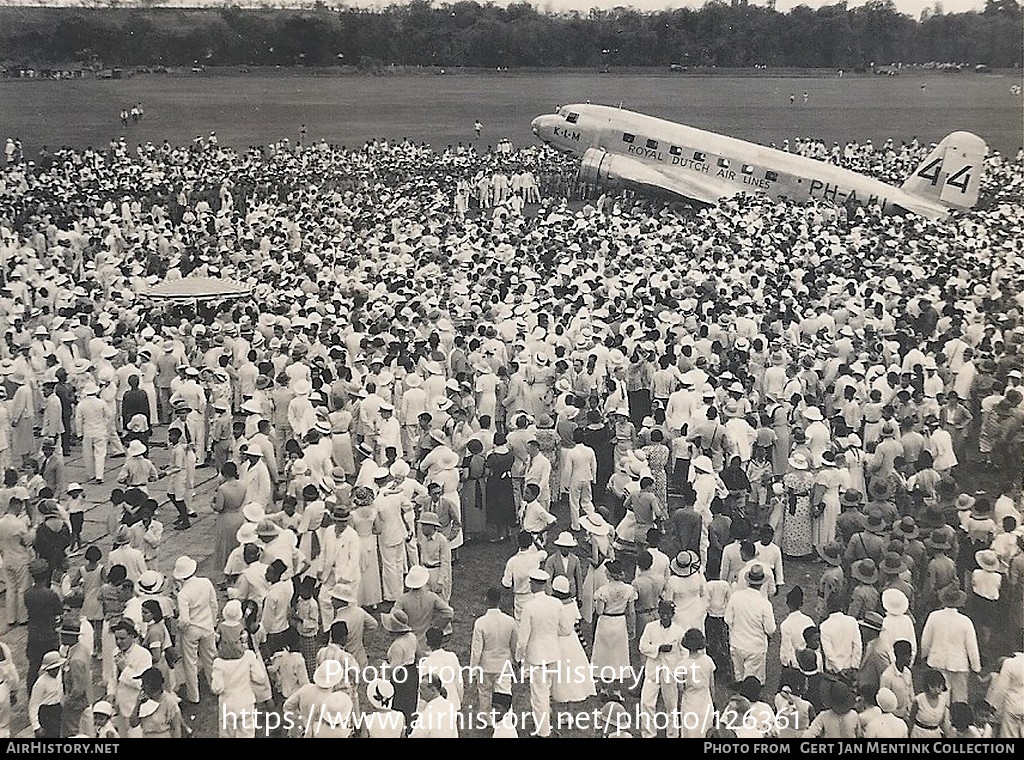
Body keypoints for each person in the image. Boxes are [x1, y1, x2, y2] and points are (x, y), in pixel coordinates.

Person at [515, 568, 561, 738]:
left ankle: (543, 732)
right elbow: (563, 628)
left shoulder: (529, 607)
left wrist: (519, 657)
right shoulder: (556, 603)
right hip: (553, 652)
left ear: (534, 584)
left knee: (539, 695)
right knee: (546, 690)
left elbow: (523, 638)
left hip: (537, 655)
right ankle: (545, 723)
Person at [173, 555, 218, 705]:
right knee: (210, 658)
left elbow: (184, 620)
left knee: (190, 663)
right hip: (207, 625)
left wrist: (180, 629)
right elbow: (213, 604)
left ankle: (194, 695)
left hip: (191, 630)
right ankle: (214, 685)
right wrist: (213, 621)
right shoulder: (206, 583)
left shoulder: (183, 594)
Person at [469, 587, 517, 715]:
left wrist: (473, 669)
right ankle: (505, 717)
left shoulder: (480, 623)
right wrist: (516, 661)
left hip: (485, 665)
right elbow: (514, 645)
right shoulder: (510, 621)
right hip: (504, 664)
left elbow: (476, 650)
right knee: (504, 691)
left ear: (486, 599)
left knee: (484, 693)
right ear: (500, 600)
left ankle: (487, 719)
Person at [724, 563, 775, 684]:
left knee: (740, 677)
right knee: (753, 681)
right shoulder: (764, 604)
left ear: (747, 581)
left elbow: (728, 619)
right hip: (755, 646)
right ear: (762, 583)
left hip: (737, 643)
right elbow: (770, 629)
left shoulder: (736, 597)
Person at [550, 575, 596, 704]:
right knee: (570, 678)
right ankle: (568, 714)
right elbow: (577, 626)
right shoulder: (573, 603)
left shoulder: (554, 604)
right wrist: (583, 643)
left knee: (555, 677)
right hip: (572, 642)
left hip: (557, 641)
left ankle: (551, 709)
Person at [29, 651, 64, 737]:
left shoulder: (60, 675)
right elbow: (33, 705)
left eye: (57, 668)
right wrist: (36, 726)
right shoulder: (40, 683)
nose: (55, 671)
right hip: (46, 713)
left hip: (58, 710)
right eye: (52, 669)